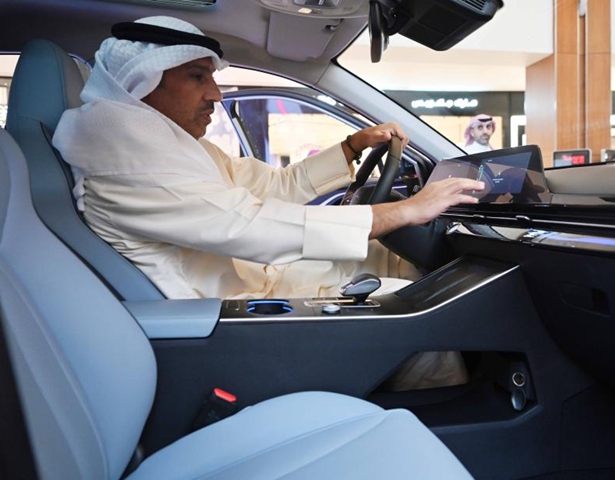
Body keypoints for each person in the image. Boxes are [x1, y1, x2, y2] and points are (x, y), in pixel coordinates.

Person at [52, 16, 482, 390]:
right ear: (142, 82)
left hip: (253, 283)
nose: (216, 96)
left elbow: (271, 187)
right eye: (197, 77)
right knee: (413, 307)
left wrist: (352, 147)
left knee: (390, 256)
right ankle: (450, 419)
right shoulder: (123, 153)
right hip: (228, 317)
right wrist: (406, 210)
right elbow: (251, 226)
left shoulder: (167, 141)